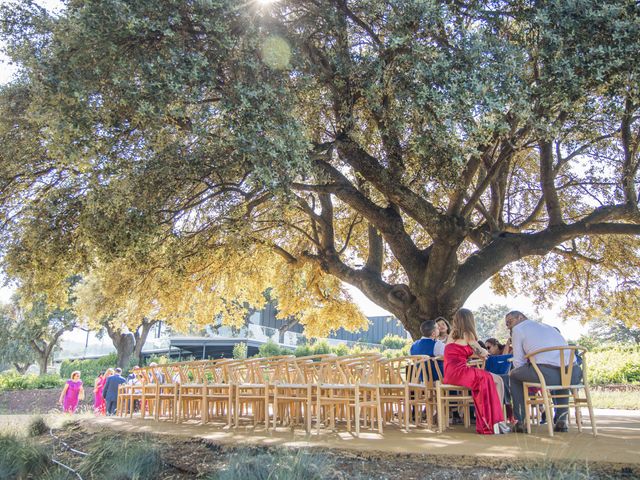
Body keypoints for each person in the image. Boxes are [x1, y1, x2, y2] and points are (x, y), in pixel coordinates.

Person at [506, 311, 582, 433]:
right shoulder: (547, 327)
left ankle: (521, 421)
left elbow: (518, 362)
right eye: (507, 324)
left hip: (547, 374)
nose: (508, 326)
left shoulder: (518, 329)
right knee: (563, 376)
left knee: (514, 375)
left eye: (510, 322)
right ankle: (562, 420)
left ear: (520, 317)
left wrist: (526, 368)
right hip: (575, 374)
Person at [443, 309, 509, 434]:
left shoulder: (452, 334)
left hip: (449, 373)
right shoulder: (468, 334)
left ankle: (496, 419)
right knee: (498, 380)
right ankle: (497, 420)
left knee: (494, 380)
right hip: (460, 372)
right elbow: (483, 353)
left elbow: (457, 351)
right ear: (470, 320)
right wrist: (484, 353)